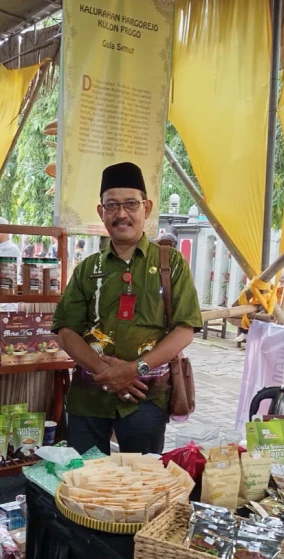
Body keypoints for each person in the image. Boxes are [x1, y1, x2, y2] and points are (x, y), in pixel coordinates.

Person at [53, 162, 202, 455]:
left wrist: (134, 369)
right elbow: (66, 332)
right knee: (85, 476)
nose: (121, 214)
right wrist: (106, 373)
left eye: (131, 204)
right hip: (89, 398)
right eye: (112, 205)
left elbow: (185, 330)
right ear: (101, 212)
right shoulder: (88, 269)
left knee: (143, 477)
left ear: (146, 207)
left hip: (146, 397)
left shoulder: (171, 263)